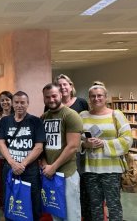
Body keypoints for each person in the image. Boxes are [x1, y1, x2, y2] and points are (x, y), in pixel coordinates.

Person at [80, 82, 132, 221]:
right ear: (89, 98)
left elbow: (127, 140)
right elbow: (76, 140)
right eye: (93, 96)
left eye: (99, 96)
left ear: (106, 97)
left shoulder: (116, 115)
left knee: (114, 205)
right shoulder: (83, 115)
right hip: (90, 169)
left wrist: (104, 143)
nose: (96, 99)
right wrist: (85, 144)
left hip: (111, 169)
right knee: (94, 205)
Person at [0, 91, 46, 221]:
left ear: (28, 103)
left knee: (33, 202)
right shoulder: (5, 121)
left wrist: (23, 164)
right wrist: (12, 163)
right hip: (10, 168)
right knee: (10, 200)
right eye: (16, 102)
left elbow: (39, 146)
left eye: (22, 102)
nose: (19, 105)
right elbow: (1, 143)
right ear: (12, 104)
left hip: (30, 170)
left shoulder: (36, 121)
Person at [42, 83, 83, 221]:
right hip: (50, 175)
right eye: (47, 97)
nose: (51, 99)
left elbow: (73, 146)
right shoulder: (43, 117)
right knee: (56, 215)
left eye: (54, 96)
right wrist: (44, 165)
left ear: (60, 95)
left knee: (72, 216)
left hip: (67, 174)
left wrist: (53, 167)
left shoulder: (71, 115)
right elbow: (41, 145)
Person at [54, 74, 90, 220]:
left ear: (71, 86)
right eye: (59, 85)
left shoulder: (81, 103)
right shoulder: (52, 104)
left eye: (65, 84)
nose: (63, 87)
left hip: (78, 150)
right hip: (59, 152)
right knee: (63, 190)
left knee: (78, 186)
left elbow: (87, 124)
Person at [0, 91, 14, 210]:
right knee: (0, 182)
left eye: (7, 99)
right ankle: (3, 204)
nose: (5, 102)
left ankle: (13, 204)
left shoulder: (16, 115)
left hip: (13, 156)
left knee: (12, 181)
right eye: (2, 100)